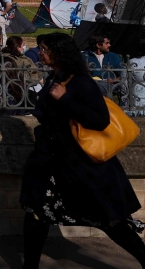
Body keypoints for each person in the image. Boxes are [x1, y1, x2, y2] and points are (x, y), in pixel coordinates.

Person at [20, 33, 145, 269]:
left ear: (59, 53)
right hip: (50, 163)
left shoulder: (80, 82)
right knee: (36, 213)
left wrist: (66, 99)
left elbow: (99, 120)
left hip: (78, 167)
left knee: (109, 220)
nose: (42, 53)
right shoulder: (53, 78)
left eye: (45, 49)